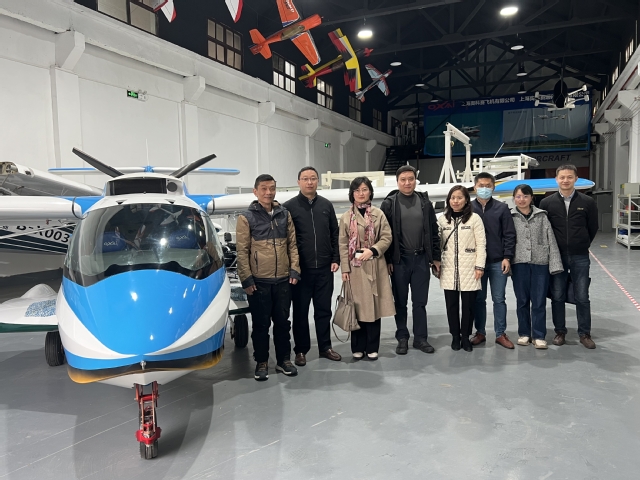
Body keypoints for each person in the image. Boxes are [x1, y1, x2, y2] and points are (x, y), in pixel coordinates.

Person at [236, 174, 301, 381]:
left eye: (272, 188)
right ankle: (261, 361)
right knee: (261, 325)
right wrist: (247, 279)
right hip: (259, 282)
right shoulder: (246, 218)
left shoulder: (284, 214)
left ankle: (284, 360)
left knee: (282, 323)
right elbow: (242, 251)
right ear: (255, 191)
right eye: (263, 188)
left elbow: (292, 245)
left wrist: (294, 270)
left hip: (283, 280)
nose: (268, 192)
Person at [283, 166, 341, 366]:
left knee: (323, 310)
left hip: (324, 268)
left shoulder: (326, 205)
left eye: (313, 178)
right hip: (301, 271)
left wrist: (335, 258)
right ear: (298, 182)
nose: (309, 182)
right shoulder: (289, 207)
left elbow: (335, 233)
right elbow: (286, 240)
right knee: (300, 312)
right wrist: (292, 267)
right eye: (305, 178)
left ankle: (325, 347)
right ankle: (301, 350)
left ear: (318, 181)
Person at [380, 165, 441, 355]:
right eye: (403, 179)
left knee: (420, 302)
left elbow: (433, 231)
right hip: (399, 261)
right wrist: (388, 260)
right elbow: (384, 235)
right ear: (397, 182)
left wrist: (436, 257)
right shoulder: (389, 204)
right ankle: (402, 337)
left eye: (411, 179)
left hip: (421, 259)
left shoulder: (425, 203)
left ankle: (421, 338)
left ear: (415, 180)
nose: (407, 183)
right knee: (400, 302)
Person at [540, 164, 599, 349]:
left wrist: (581, 243)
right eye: (562, 177)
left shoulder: (587, 202)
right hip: (556, 256)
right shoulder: (546, 203)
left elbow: (593, 227)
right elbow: (545, 230)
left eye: (569, 177)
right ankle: (560, 332)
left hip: (580, 255)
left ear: (576, 179)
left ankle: (584, 333)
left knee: (582, 296)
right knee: (557, 295)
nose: (565, 180)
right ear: (556, 179)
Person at [338, 177, 395, 360]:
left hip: (375, 266)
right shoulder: (346, 217)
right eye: (357, 190)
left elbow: (387, 237)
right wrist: (344, 269)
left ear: (370, 191)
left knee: (373, 308)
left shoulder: (379, 214)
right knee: (356, 308)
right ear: (352, 194)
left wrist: (373, 250)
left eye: (364, 189)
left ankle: (372, 346)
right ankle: (357, 346)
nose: (361, 193)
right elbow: (342, 244)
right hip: (354, 269)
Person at [510, 184, 563, 349]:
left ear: (531, 198)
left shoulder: (541, 216)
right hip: (519, 263)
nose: (522, 200)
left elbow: (551, 239)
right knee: (522, 300)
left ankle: (539, 335)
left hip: (540, 263)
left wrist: (555, 264)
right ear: (514, 198)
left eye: (525, 196)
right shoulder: (510, 217)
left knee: (539, 301)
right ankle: (524, 333)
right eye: (518, 196)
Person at [470, 172, 517, 349]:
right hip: (476, 263)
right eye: (481, 185)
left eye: (488, 186)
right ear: (475, 187)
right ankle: (480, 332)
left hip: (498, 261)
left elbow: (509, 234)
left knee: (499, 299)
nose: (484, 188)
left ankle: (500, 334)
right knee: (478, 299)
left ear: (493, 187)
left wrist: (507, 257)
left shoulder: (502, 208)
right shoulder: (468, 208)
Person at [438, 185, 486, 352]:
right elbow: (437, 244)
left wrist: (479, 265)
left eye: (459, 197)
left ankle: (465, 336)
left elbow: (481, 244)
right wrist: (436, 263)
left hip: (470, 268)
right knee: (451, 305)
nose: (456, 201)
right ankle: (455, 336)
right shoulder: (442, 220)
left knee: (469, 306)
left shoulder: (474, 219)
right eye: (452, 198)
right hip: (448, 268)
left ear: (466, 200)